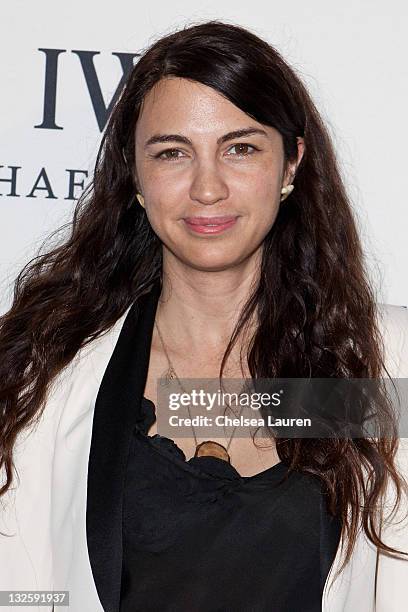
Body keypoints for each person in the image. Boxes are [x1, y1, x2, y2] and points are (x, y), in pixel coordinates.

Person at [0, 19, 407, 612]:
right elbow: (24, 591)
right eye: (172, 153)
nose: (207, 188)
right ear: (135, 175)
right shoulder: (49, 373)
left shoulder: (383, 364)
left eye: (240, 148)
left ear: (291, 164)